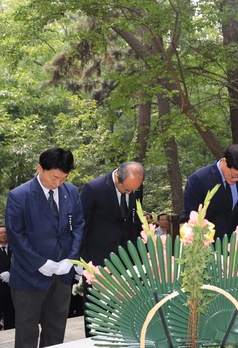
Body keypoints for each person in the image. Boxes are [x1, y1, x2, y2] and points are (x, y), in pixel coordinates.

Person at [5, 147, 84, 348]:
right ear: (40, 168)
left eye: (64, 178)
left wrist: (71, 258)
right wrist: (41, 263)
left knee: (56, 331)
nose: (58, 184)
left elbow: (78, 226)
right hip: (28, 276)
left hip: (62, 276)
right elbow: (16, 235)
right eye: (54, 178)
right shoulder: (19, 196)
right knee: (27, 333)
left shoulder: (72, 192)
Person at [80, 162, 145, 267]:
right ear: (117, 176)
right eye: (126, 189)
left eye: (134, 190)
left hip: (129, 257)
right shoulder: (93, 189)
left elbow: (136, 219)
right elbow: (82, 226)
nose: (130, 193)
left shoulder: (136, 187)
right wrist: (84, 261)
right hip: (99, 258)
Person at [182, 144, 238, 240]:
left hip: (234, 243)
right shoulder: (198, 179)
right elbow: (190, 217)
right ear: (224, 162)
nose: (237, 179)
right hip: (206, 243)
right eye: (234, 175)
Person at [0, 225, 14, 330]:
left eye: (5, 233)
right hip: (0, 286)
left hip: (13, 285)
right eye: (1, 233)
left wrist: (10, 273)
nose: (3, 235)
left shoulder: (14, 248)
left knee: (11, 313)